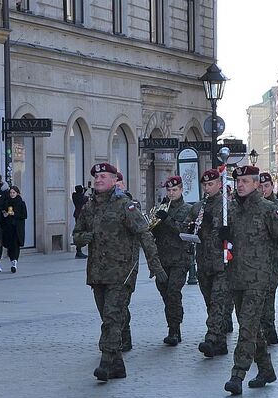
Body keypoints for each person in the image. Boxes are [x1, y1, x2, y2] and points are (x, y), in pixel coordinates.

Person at [73, 162, 167, 382]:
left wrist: (156, 266)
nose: (98, 180)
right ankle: (117, 365)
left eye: (103, 177)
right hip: (97, 273)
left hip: (122, 271)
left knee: (112, 317)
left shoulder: (125, 205)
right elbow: (77, 233)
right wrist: (82, 238)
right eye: (96, 177)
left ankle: (106, 362)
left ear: (115, 180)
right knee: (107, 316)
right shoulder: (89, 207)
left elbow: (145, 235)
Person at [223, 165, 278, 396]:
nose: (240, 185)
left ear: (255, 184)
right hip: (236, 277)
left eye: (245, 181)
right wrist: (220, 237)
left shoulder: (267, 209)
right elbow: (220, 244)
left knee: (247, 327)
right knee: (252, 327)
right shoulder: (229, 210)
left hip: (258, 278)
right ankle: (266, 369)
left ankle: (237, 374)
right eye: (238, 181)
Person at [187, 169, 232, 358]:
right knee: (210, 302)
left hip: (222, 263)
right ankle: (220, 343)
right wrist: (191, 228)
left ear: (219, 184)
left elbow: (237, 232)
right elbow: (187, 228)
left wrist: (227, 234)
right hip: (203, 262)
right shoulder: (197, 207)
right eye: (205, 185)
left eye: (211, 184)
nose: (207, 187)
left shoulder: (228, 206)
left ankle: (211, 337)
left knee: (217, 302)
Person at [151, 176, 192, 346]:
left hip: (180, 258)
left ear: (181, 190)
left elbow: (184, 231)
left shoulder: (188, 209)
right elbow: (152, 233)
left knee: (174, 292)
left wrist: (167, 219)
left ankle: (174, 329)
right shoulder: (161, 208)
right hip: (162, 258)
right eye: (168, 190)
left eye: (174, 190)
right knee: (165, 293)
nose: (171, 193)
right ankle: (173, 324)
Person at [258, 172, 278, 345]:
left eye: (267, 186)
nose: (263, 189)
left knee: (269, 293)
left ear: (272, 187)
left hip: (273, 256)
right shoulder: (252, 205)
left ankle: (269, 330)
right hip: (255, 257)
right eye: (260, 186)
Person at [1, 187, 27, 273]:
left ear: (17, 193)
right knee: (10, 245)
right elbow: (3, 212)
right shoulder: (6, 202)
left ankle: (15, 262)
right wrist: (5, 214)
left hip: (17, 227)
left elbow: (24, 215)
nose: (12, 194)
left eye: (13, 193)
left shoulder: (21, 203)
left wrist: (14, 214)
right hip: (8, 227)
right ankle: (12, 260)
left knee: (16, 245)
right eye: (11, 193)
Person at [72, 184, 89, 258]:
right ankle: (78, 251)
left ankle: (79, 251)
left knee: (79, 232)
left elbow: (81, 196)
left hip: (77, 215)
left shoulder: (74, 196)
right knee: (79, 233)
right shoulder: (81, 198)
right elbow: (84, 198)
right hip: (80, 216)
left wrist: (84, 190)